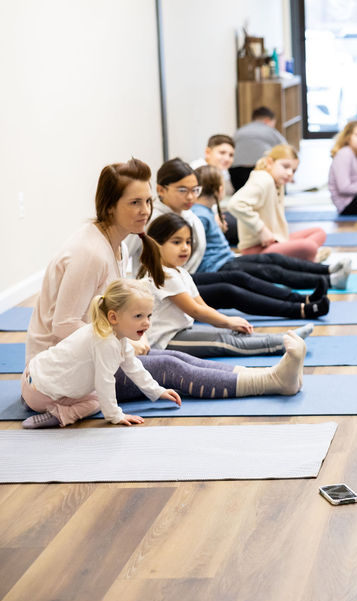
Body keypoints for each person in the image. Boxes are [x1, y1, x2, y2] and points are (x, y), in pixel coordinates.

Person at [25, 160, 307, 406]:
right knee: (168, 366)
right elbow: (63, 326)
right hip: (56, 378)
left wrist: (134, 333)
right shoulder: (89, 254)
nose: (145, 210)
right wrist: (120, 342)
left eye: (147, 201)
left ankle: (271, 376)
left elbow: (118, 306)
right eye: (134, 203)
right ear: (110, 207)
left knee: (178, 359)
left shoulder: (117, 246)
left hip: (92, 355)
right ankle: (272, 381)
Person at [21, 279, 182, 429]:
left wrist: (157, 390)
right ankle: (60, 415)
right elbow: (105, 382)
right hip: (41, 393)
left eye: (149, 315)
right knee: (97, 401)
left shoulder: (113, 334)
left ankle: (31, 400)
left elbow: (133, 366)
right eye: (138, 316)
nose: (146, 322)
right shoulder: (106, 342)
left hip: (31, 376)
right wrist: (115, 415)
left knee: (96, 394)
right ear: (113, 317)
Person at [145, 214, 314, 356]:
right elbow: (195, 311)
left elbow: (202, 305)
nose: (185, 248)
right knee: (223, 341)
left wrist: (228, 323)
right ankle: (279, 344)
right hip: (166, 341)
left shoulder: (181, 272)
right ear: (156, 244)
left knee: (229, 333)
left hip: (182, 331)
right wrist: (227, 321)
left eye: (188, 242)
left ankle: (285, 338)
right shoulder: (164, 275)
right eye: (177, 242)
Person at [193, 166, 346, 300]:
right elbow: (196, 252)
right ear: (219, 189)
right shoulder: (201, 216)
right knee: (270, 271)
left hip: (227, 260)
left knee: (274, 259)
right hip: (219, 267)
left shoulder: (205, 212)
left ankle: (327, 270)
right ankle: (330, 280)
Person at [227, 144, 329, 262]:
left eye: (294, 170)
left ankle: (301, 257)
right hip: (257, 250)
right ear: (270, 162)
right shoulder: (264, 180)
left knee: (319, 232)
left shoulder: (277, 182)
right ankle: (308, 259)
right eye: (285, 166)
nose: (290, 173)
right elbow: (235, 204)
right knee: (309, 247)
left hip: (276, 242)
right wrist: (261, 230)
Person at [191, 134, 240, 244]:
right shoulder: (196, 171)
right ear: (208, 152)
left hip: (214, 214)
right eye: (222, 153)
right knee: (244, 225)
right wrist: (213, 218)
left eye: (231, 155)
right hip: (202, 219)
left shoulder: (222, 171)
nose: (227, 158)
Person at [230, 107, 287, 192]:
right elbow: (286, 149)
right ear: (267, 120)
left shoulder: (239, 131)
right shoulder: (270, 131)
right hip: (260, 171)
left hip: (236, 173)